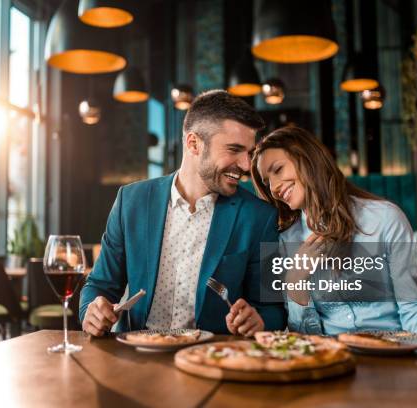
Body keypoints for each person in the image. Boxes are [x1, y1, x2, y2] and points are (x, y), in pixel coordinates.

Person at [250, 125, 417, 341]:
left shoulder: (384, 219)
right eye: (266, 180)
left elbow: (414, 312)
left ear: (307, 158)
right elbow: (305, 336)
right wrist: (297, 280)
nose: (272, 188)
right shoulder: (285, 240)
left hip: (396, 357)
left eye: (278, 169)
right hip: (333, 363)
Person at [80, 90, 286, 337]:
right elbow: (99, 285)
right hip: (137, 354)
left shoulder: (261, 217)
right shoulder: (130, 201)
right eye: (234, 149)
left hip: (212, 359)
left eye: (249, 153)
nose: (245, 165)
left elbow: (275, 309)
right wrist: (91, 310)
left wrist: (259, 320)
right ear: (193, 143)